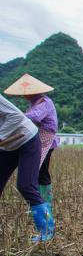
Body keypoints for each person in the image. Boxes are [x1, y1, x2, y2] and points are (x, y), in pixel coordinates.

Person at [0, 93, 54, 242]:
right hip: (7, 147)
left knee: (26, 186)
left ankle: (47, 232)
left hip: (26, 139)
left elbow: (15, 116)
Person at [5, 73, 59, 213]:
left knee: (39, 172)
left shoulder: (44, 102)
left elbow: (34, 116)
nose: (24, 95)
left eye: (27, 93)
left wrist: (17, 117)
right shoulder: (34, 102)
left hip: (45, 138)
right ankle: (41, 204)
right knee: (38, 172)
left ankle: (44, 205)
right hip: (35, 137)